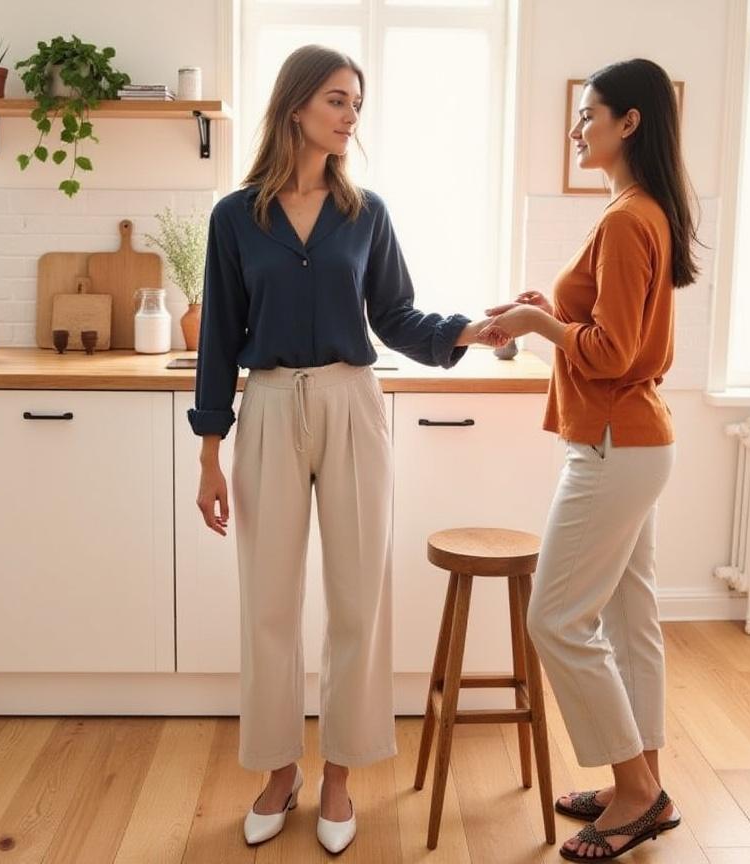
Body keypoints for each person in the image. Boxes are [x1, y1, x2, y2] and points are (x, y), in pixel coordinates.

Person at [189, 44, 503, 855]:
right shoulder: (235, 217)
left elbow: (395, 315)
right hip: (266, 407)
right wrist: (208, 453)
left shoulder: (367, 213)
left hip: (352, 403)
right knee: (269, 603)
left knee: (358, 599)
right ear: (297, 106)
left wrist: (469, 329)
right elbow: (219, 338)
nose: (349, 115)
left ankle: (340, 773)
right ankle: (277, 768)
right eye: (337, 100)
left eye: (356, 103)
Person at [477, 57, 699, 862]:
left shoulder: (625, 218)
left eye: (589, 114)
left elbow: (609, 353)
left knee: (557, 617)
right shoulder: (642, 213)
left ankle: (635, 791)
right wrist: (549, 310)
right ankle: (646, 786)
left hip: (614, 445)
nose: (577, 128)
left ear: (629, 122)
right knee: (629, 619)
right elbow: (611, 337)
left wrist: (540, 330)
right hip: (636, 441)